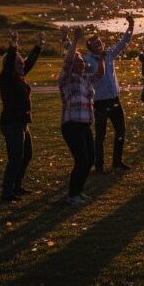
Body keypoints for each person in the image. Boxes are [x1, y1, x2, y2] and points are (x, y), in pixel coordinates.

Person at [63, 15, 134, 173]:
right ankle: (99, 165)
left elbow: (124, 43)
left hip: (115, 99)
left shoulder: (109, 54)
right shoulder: (87, 60)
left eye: (100, 43)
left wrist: (131, 26)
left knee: (121, 131)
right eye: (95, 44)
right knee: (100, 135)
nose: (99, 45)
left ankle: (117, 161)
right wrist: (66, 39)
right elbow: (72, 56)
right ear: (90, 47)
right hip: (100, 102)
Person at [58, 26, 105, 205]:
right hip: (71, 124)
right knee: (81, 159)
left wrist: (100, 59)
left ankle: (78, 191)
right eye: (77, 62)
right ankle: (72, 195)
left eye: (81, 62)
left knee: (90, 159)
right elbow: (68, 60)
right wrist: (76, 41)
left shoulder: (86, 78)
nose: (80, 64)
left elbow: (100, 74)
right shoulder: (66, 78)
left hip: (85, 125)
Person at [0, 30, 43, 202]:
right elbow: (10, 64)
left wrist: (38, 47)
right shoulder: (6, 78)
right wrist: (13, 45)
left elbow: (29, 63)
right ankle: (7, 192)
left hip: (22, 122)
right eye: (18, 62)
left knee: (26, 155)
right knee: (15, 157)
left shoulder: (19, 76)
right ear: (10, 63)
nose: (22, 64)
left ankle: (17, 186)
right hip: (11, 123)